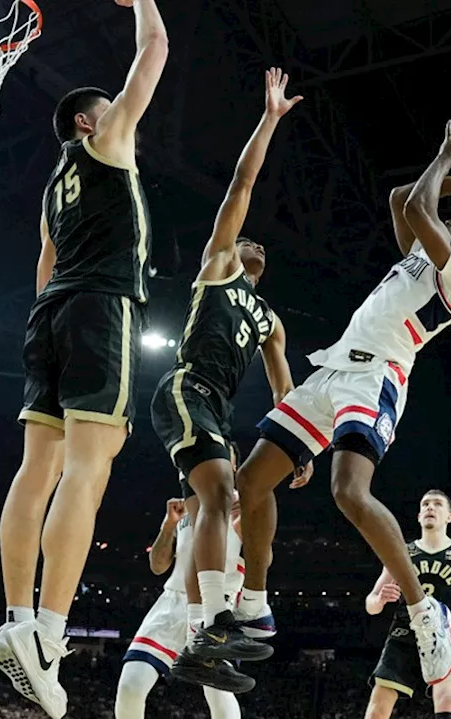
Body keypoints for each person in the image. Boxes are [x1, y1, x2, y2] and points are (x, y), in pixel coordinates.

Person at [230, 111, 451, 689]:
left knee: (347, 491)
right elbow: (401, 198)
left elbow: (419, 206)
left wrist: (449, 156)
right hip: (333, 371)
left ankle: (425, 616)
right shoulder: (430, 250)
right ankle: (253, 605)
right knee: (250, 482)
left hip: (378, 377)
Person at [0, 0, 170, 716]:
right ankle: (51, 634)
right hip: (101, 308)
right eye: (110, 106)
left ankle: (15, 619)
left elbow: (44, 259)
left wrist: (45, 317)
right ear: (89, 123)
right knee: (90, 470)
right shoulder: (108, 141)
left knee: (38, 468)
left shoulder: (51, 190)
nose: (124, 113)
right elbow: (153, 48)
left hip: (51, 314)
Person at [144, 67, 310, 691]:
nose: (255, 244)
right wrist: (269, 119)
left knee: (247, 496)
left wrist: (298, 443)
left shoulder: (270, 321)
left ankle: (235, 615)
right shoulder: (218, 266)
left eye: (261, 246)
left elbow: (283, 389)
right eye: (248, 240)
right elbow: (242, 182)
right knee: (216, 499)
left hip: (220, 412)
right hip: (186, 390)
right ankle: (213, 621)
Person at [363, 490, 451, 719]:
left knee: (446, 697)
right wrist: (380, 599)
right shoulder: (402, 552)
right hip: (404, 636)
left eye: (437, 504)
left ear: (449, 517)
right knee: (377, 708)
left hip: (446, 636)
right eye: (425, 504)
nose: (430, 508)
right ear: (418, 516)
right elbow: (370, 604)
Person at [115, 493, 245, 718]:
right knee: (130, 687)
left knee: (218, 691)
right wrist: (168, 526)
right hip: (172, 601)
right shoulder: (185, 504)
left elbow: (265, 558)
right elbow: (157, 566)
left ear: (231, 464)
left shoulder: (242, 500)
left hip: (216, 602)